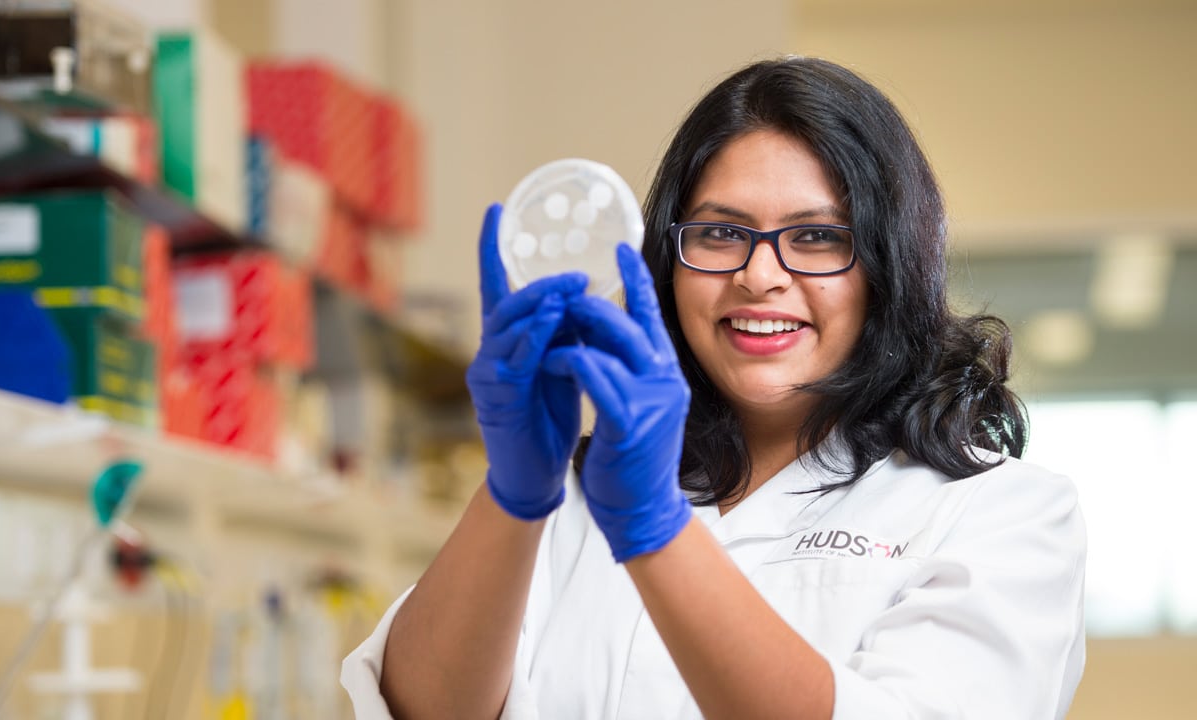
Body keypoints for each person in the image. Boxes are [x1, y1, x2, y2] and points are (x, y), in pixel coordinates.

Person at [341, 56, 1086, 719]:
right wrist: (513, 495)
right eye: (721, 233)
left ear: (889, 266)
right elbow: (418, 709)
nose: (759, 276)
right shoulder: (577, 498)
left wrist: (655, 528)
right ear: (667, 256)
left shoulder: (1001, 514)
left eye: (818, 237)